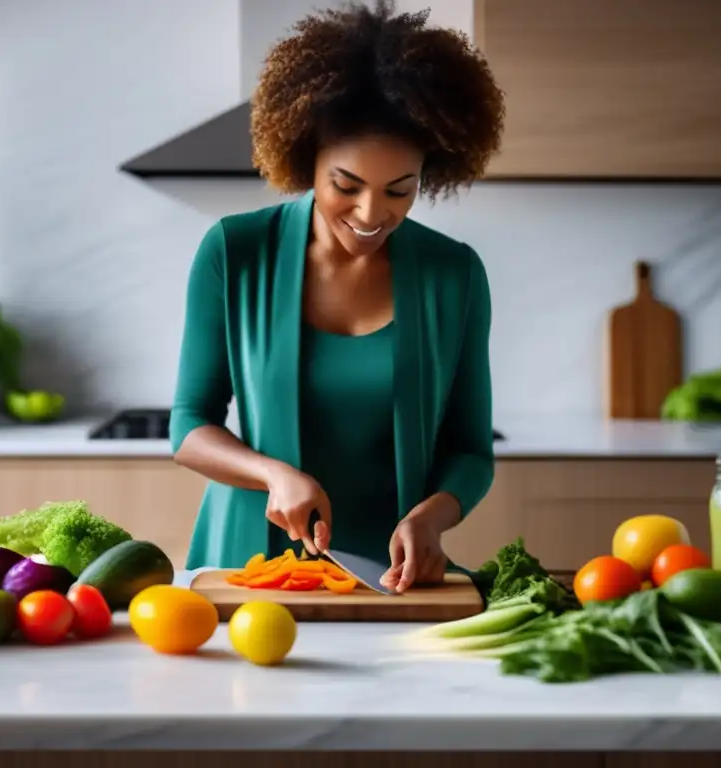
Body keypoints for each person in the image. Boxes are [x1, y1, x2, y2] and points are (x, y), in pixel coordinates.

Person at [169, 0, 504, 593]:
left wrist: (434, 515)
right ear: (306, 159)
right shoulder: (235, 251)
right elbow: (189, 426)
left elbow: (471, 450)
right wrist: (272, 475)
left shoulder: (456, 275)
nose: (373, 215)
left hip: (389, 580)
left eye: (401, 190)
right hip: (248, 569)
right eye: (345, 186)